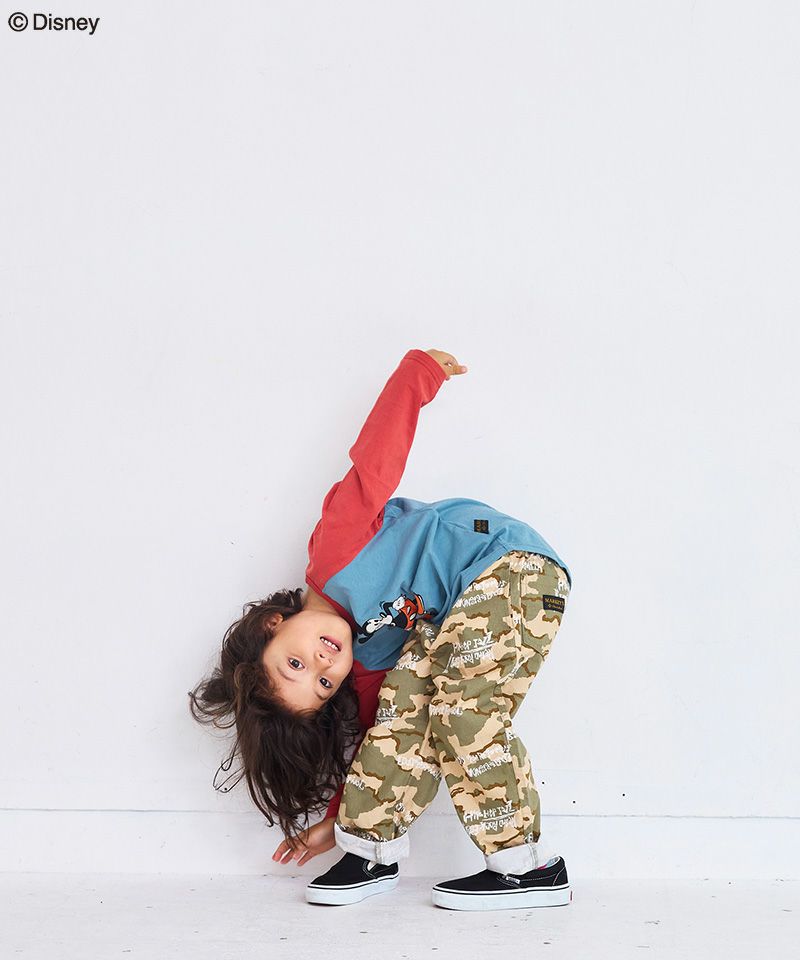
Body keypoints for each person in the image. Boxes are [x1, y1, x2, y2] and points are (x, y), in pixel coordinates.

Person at [189, 348, 573, 911]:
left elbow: (375, 463)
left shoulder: (335, 551)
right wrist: (337, 820)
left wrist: (418, 375)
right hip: (455, 615)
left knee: (463, 709)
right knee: (401, 713)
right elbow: (381, 738)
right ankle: (369, 850)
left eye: (295, 664)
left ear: (274, 624)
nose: (324, 665)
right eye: (323, 685)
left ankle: (528, 867)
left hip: (508, 565)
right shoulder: (367, 662)